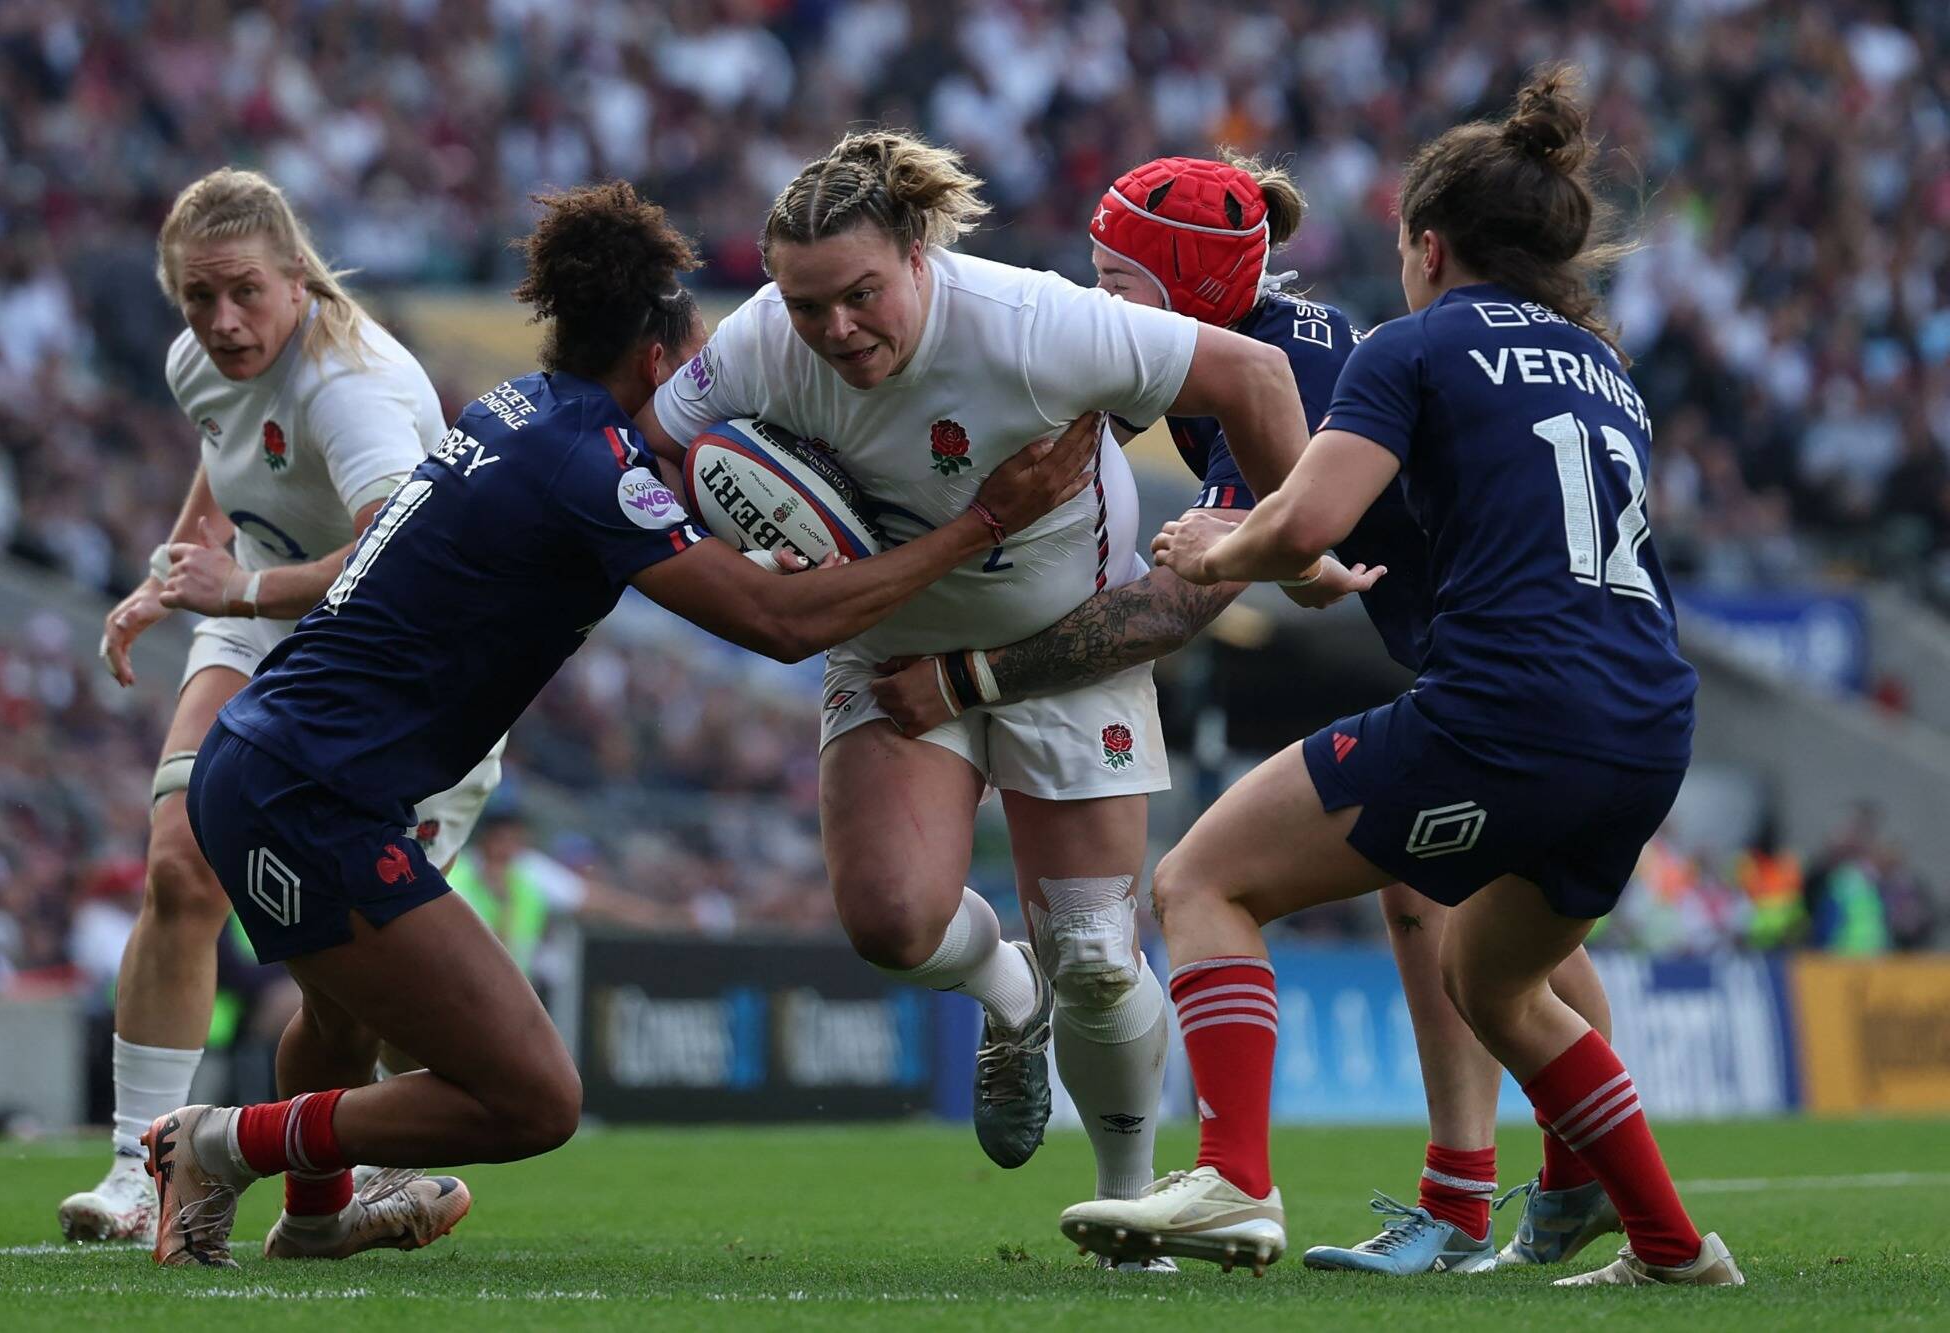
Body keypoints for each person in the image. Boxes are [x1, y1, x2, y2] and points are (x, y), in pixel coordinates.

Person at [143, 180, 1099, 1268]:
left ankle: (314, 1218)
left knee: (338, 1011)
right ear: (661, 357)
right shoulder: (585, 466)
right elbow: (780, 627)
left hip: (273, 764)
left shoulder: (521, 411)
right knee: (532, 1099)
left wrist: (743, 540)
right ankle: (219, 1144)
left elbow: (642, 527)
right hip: (303, 793)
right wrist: (983, 521)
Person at [876, 151, 1624, 1276]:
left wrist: (964, 677)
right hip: (1523, 666)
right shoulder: (1203, 340)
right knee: (1464, 910)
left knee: (1236, 883)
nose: (1093, 300)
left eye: (1115, 278)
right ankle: (1525, 1193)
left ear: (1184, 290)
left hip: (1485, 671)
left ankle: (1289, 1181)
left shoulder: (1268, 365)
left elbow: (1179, 605)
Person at [1059, 69, 1745, 1288]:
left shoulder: (1405, 346)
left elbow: (1302, 525)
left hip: (1503, 700)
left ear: (1427, 246)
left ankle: (1233, 1177)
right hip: (1646, 716)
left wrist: (1229, 547)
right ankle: (1664, 1243)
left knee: (1204, 879)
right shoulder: (1605, 367)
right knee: (1492, 968)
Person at [633, 130, 1317, 1240]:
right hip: (891, 645)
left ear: (916, 256)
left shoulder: (1034, 322)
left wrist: (1300, 543)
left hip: (1064, 647)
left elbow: (1255, 372)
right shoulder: (763, 340)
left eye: (858, 295)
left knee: (1096, 953)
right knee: (890, 924)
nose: (834, 329)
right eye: (807, 304)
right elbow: (656, 453)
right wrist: (739, 543)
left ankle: (1129, 1204)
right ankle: (1008, 996)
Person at [61, 168, 504, 1245]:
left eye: (243, 294)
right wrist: (179, 568)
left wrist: (243, 586)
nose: (221, 321)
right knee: (178, 863)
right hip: (261, 619)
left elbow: (397, 556)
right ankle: (139, 1166)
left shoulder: (347, 386)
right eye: (198, 298)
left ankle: (397, 1157)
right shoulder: (199, 355)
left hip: (398, 657)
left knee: (362, 977)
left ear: (296, 278)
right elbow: (226, 452)